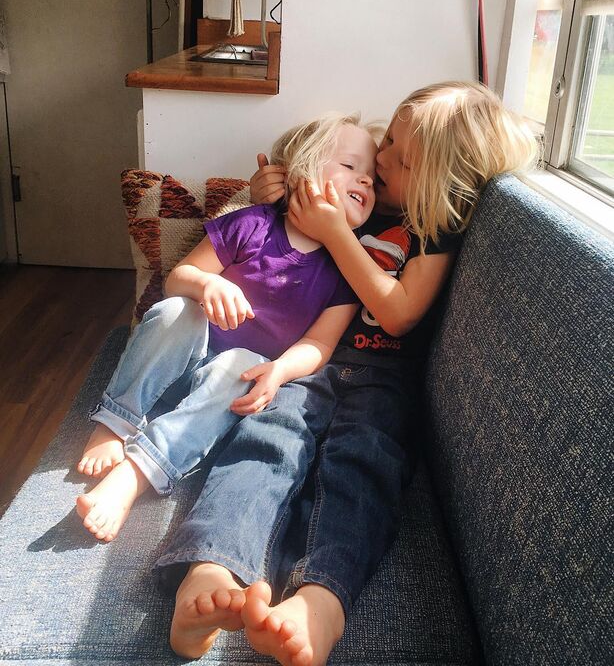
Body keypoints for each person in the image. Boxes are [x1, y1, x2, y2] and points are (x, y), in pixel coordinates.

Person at [152, 81, 538, 666]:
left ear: (436, 180)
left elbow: (398, 313)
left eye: (399, 157)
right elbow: (276, 227)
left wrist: (336, 231)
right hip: (306, 359)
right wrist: (270, 193)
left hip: (383, 380)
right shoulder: (357, 194)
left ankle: (321, 602)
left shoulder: (434, 231)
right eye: (387, 142)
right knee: (264, 442)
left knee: (362, 465)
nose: (380, 157)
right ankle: (209, 569)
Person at [74, 112, 379, 542]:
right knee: (177, 311)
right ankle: (115, 422)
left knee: (242, 364)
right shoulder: (251, 223)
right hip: (180, 358)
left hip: (223, 392)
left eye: (372, 179)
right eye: (350, 166)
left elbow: (319, 343)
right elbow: (178, 278)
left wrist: (280, 370)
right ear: (300, 172)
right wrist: (207, 284)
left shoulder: (348, 269)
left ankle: (135, 474)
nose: (365, 181)